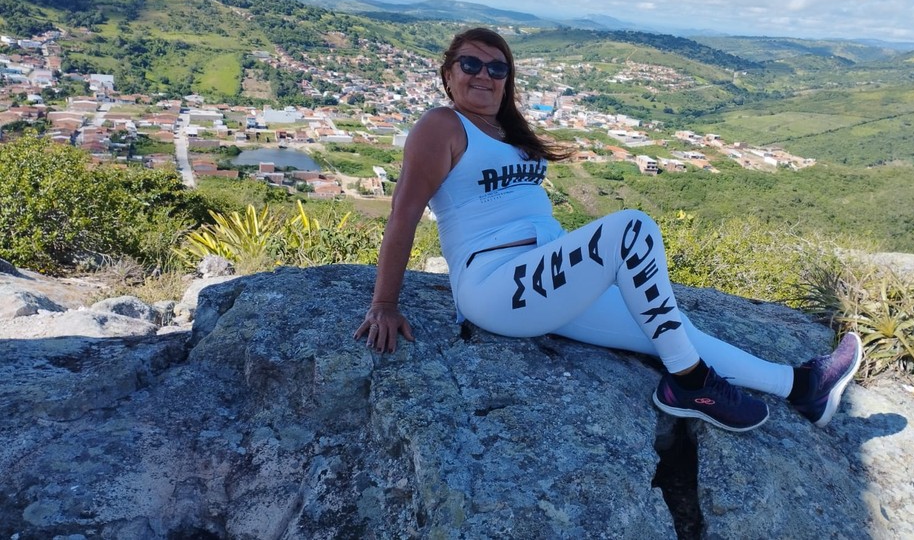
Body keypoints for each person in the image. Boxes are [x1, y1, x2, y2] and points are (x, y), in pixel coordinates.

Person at [354, 27, 862, 431]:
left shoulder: (507, 131)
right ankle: (690, 385)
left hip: (544, 277)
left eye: (497, 67)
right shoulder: (441, 126)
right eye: (470, 64)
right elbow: (403, 214)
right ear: (448, 74)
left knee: (669, 329)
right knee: (630, 228)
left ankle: (802, 387)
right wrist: (384, 304)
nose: (483, 74)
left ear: (508, 78)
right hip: (495, 284)